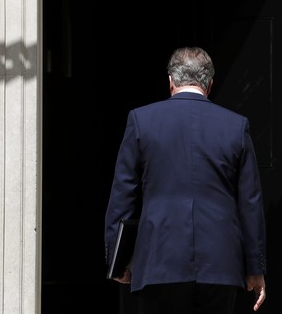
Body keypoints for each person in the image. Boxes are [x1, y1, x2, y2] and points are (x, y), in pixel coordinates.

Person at [104, 46, 267, 313]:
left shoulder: (141, 121)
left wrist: (116, 260)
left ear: (170, 81)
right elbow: (250, 203)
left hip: (158, 262)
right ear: (210, 84)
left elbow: (123, 194)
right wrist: (255, 267)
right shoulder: (236, 126)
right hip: (220, 265)